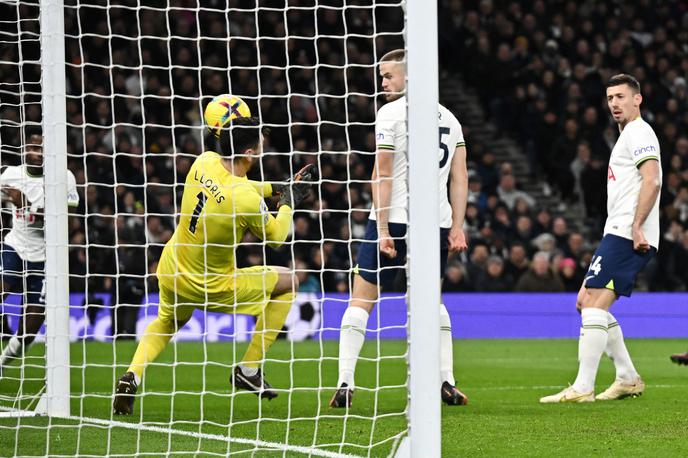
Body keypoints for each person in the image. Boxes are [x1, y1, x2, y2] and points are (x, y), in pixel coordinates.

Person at [112, 117, 316, 414]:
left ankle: (132, 375)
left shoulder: (204, 161)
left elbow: (237, 187)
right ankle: (248, 369)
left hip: (172, 267)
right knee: (289, 282)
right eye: (260, 144)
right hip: (209, 284)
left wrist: (276, 188)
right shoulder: (244, 198)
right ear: (249, 153)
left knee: (167, 322)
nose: (262, 148)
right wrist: (288, 202)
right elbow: (277, 238)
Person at [329, 49, 469, 408]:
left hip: (394, 219)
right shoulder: (451, 120)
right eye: (382, 76)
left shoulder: (390, 114)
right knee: (431, 304)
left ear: (410, 76)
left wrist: (384, 227)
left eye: (389, 75)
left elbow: (383, 173)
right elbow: (460, 177)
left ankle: (345, 380)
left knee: (362, 299)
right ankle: (446, 381)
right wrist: (457, 226)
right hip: (434, 224)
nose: (383, 82)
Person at [540, 74, 661, 403]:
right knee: (585, 302)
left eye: (621, 96)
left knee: (592, 303)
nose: (615, 104)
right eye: (610, 98)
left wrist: (637, 226)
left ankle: (583, 387)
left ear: (638, 99)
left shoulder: (639, 132)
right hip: (618, 229)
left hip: (627, 232)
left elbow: (653, 180)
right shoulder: (625, 135)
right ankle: (627, 377)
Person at [0, 134, 79, 374]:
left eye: (43, 148)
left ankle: (1, 365)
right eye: (34, 147)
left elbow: (71, 223)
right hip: (15, 247)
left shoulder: (64, 178)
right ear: (25, 150)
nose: (39, 153)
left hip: (46, 258)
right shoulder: (10, 174)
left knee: (30, 330)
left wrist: (28, 206)